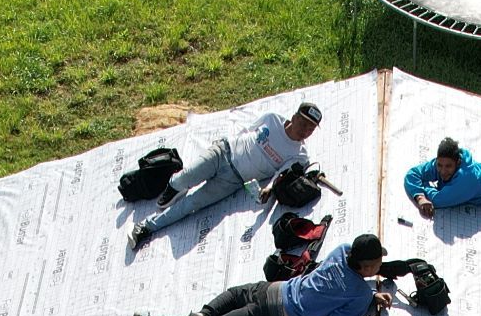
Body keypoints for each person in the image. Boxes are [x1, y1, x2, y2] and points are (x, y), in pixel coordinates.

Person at [130, 103, 341, 249]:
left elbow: (280, 175)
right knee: (183, 178)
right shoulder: (272, 119)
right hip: (223, 153)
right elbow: (246, 130)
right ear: (294, 117)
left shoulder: (300, 155)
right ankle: (174, 188)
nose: (305, 130)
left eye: (311, 128)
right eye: (303, 123)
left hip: (232, 181)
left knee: (191, 205)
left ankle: (147, 227)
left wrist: (267, 190)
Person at [133, 233, 390, 316]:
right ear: (367, 267)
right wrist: (365, 303)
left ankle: (203, 313)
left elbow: (342, 283)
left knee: (233, 295)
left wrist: (364, 295)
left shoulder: (343, 250)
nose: (379, 269)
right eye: (377, 265)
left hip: (273, 289)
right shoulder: (358, 295)